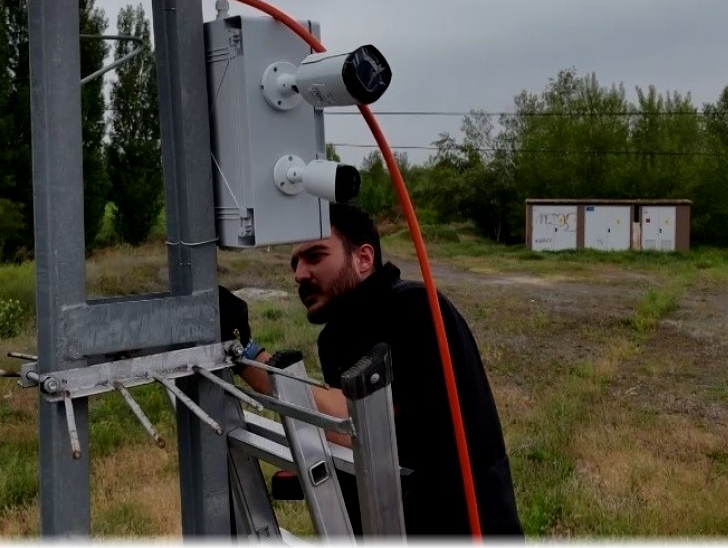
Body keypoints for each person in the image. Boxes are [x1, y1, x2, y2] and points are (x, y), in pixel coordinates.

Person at [220, 202, 523, 537]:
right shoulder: (339, 335)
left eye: (315, 256)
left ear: (363, 258)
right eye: (296, 263)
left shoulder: (411, 308)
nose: (299, 274)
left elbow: (352, 423)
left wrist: (247, 353)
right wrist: (241, 352)